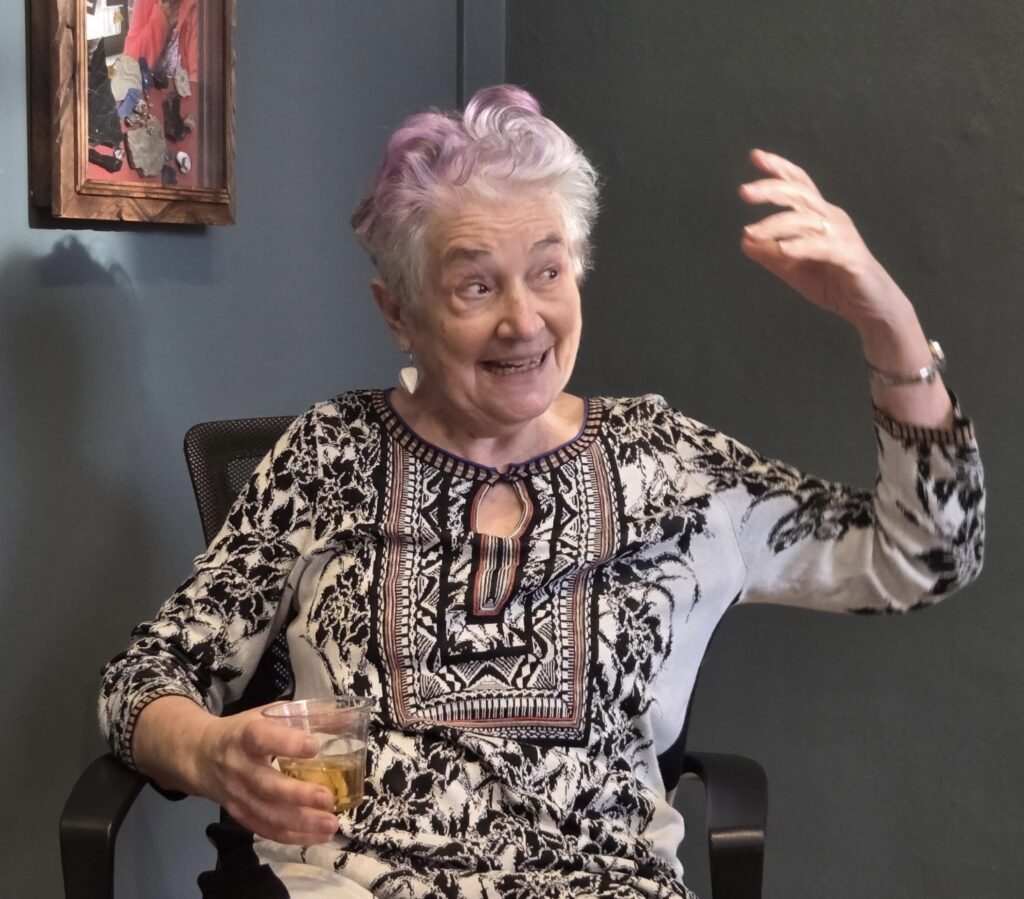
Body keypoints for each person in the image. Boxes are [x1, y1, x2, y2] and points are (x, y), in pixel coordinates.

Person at [99, 86, 985, 898]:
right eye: (475, 284)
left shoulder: (665, 462)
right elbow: (144, 678)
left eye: (549, 271)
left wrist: (888, 325)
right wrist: (212, 750)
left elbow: (921, 556)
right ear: (398, 310)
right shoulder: (330, 452)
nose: (524, 319)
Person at [123, 0, 199, 81]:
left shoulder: (198, 9)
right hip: (146, 91)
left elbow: (198, 84)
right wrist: (159, 22)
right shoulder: (144, 2)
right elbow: (128, 68)